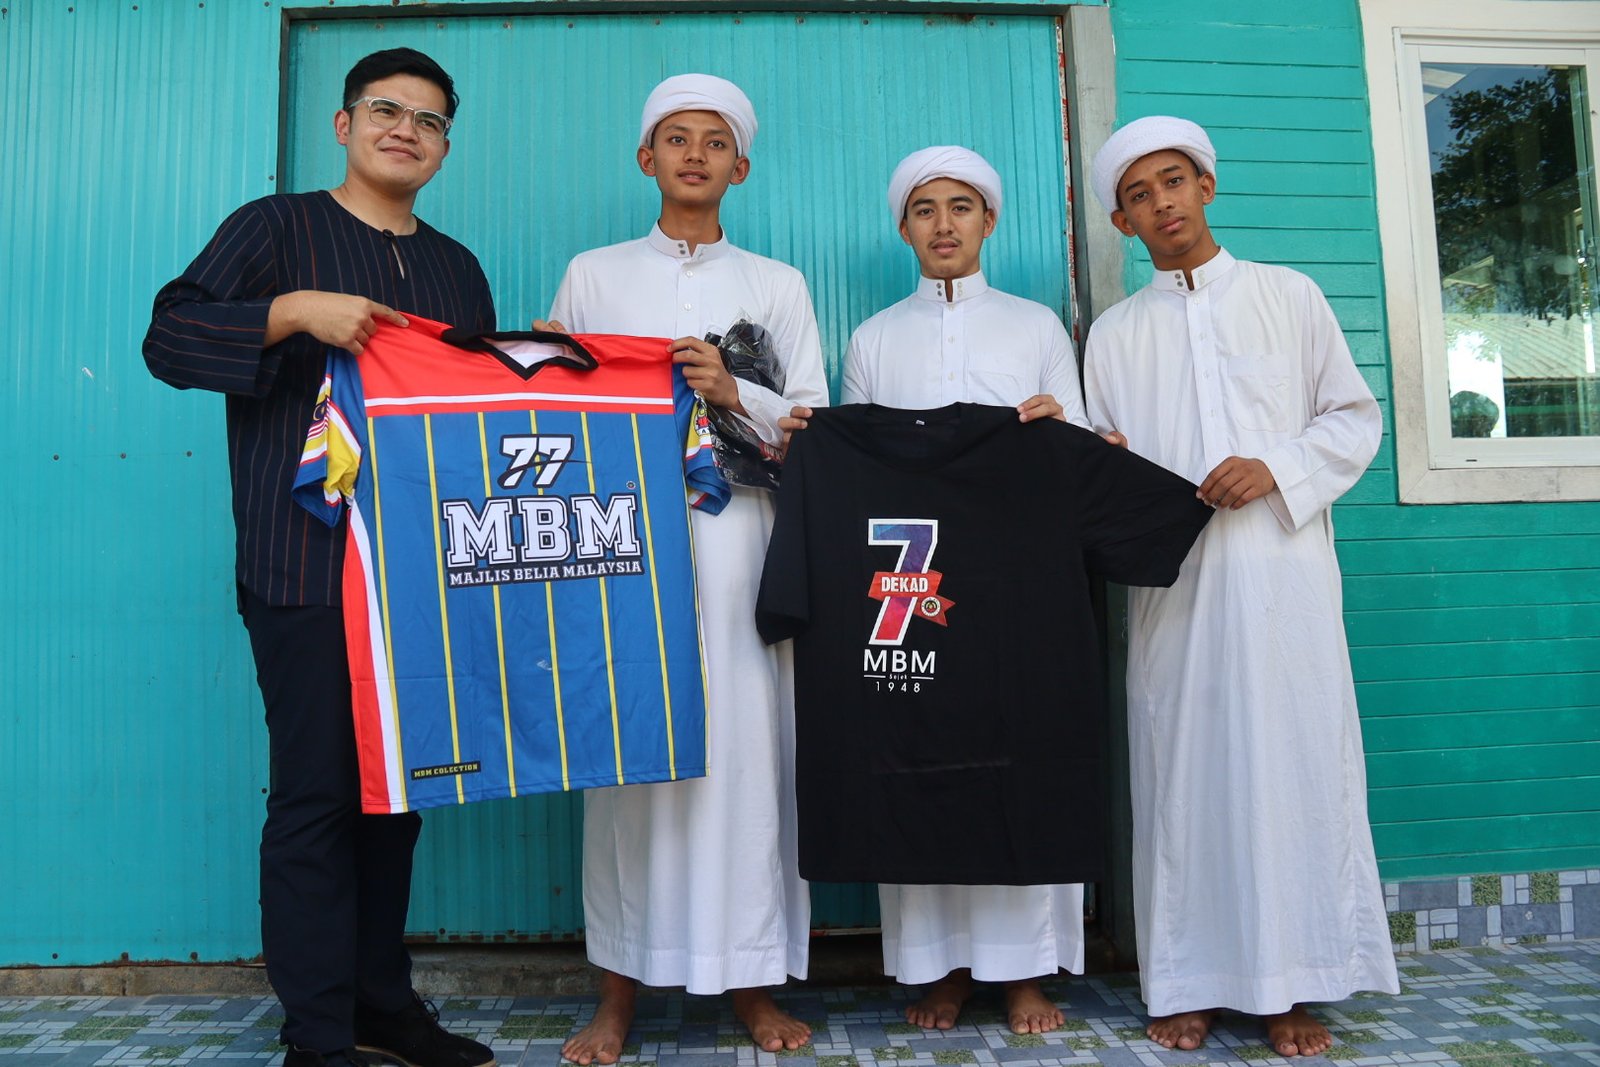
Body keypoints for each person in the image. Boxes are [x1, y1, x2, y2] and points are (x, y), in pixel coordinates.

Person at [143, 48, 498, 1067]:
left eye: (428, 121)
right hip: (301, 562)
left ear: (443, 148)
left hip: (420, 576)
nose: (405, 130)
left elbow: (469, 412)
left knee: (399, 794)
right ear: (344, 126)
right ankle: (317, 1032)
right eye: (386, 110)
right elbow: (168, 337)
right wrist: (293, 311)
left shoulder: (457, 267)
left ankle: (382, 1004)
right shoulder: (275, 228)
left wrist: (541, 364)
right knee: (316, 795)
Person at [1081, 115, 1400, 1058]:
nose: (1162, 204)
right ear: (1121, 222)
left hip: (1282, 580)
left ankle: (1292, 985)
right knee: (1186, 775)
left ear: (1206, 187)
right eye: (1139, 195)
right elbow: (1102, 461)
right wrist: (1109, 462)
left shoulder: (1288, 296)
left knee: (1293, 765)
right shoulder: (1115, 333)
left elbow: (1353, 418)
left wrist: (1275, 467)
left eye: (1173, 182)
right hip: (1176, 591)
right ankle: (1189, 982)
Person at [536, 74, 827, 1065]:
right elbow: (549, 413)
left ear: (739, 167)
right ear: (645, 158)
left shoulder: (777, 282)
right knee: (630, 753)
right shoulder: (592, 275)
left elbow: (812, 422)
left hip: (740, 539)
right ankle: (618, 990)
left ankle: (750, 980)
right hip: (624, 543)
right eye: (675, 137)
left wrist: (731, 389)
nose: (694, 154)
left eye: (713, 141)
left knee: (745, 753)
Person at [831, 145, 1089, 1034]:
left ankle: (1024, 972)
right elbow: (859, 469)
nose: (944, 224)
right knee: (920, 758)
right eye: (925, 209)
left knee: (1023, 758)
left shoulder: (1036, 327)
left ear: (990, 220)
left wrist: (1059, 423)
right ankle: (937, 968)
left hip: (1019, 581)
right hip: (915, 586)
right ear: (904, 228)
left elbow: (1081, 439)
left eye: (961, 207)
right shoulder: (873, 338)